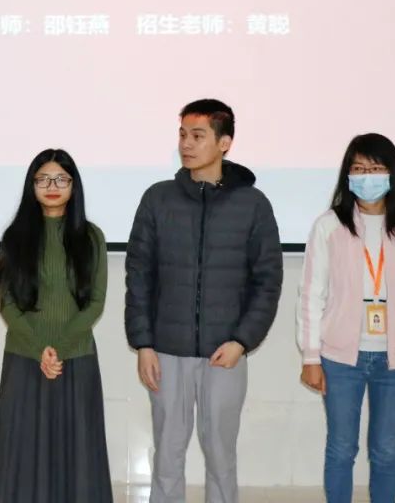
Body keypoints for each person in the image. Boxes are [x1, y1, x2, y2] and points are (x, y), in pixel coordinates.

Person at [125, 99, 283, 503]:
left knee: (220, 455)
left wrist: (242, 341)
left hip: (224, 352)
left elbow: (267, 281)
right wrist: (143, 344)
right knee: (167, 454)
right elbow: (139, 276)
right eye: (182, 134)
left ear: (224, 143)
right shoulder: (158, 199)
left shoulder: (253, 205)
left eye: (198, 136)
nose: (186, 144)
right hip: (166, 350)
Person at [296, 133, 395, 503]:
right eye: (359, 169)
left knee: (386, 452)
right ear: (348, 175)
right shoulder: (329, 226)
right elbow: (311, 295)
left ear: (392, 174)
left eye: (375, 169)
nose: (367, 177)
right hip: (340, 358)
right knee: (341, 449)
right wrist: (311, 356)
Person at [0, 149, 112, 502]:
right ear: (32, 186)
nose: (52, 186)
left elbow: (95, 303)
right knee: (23, 452)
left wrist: (57, 348)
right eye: (43, 179)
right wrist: (39, 348)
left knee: (77, 454)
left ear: (74, 186)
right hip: (24, 359)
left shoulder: (92, 237)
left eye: (61, 179)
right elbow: (8, 303)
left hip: (76, 360)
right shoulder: (15, 237)